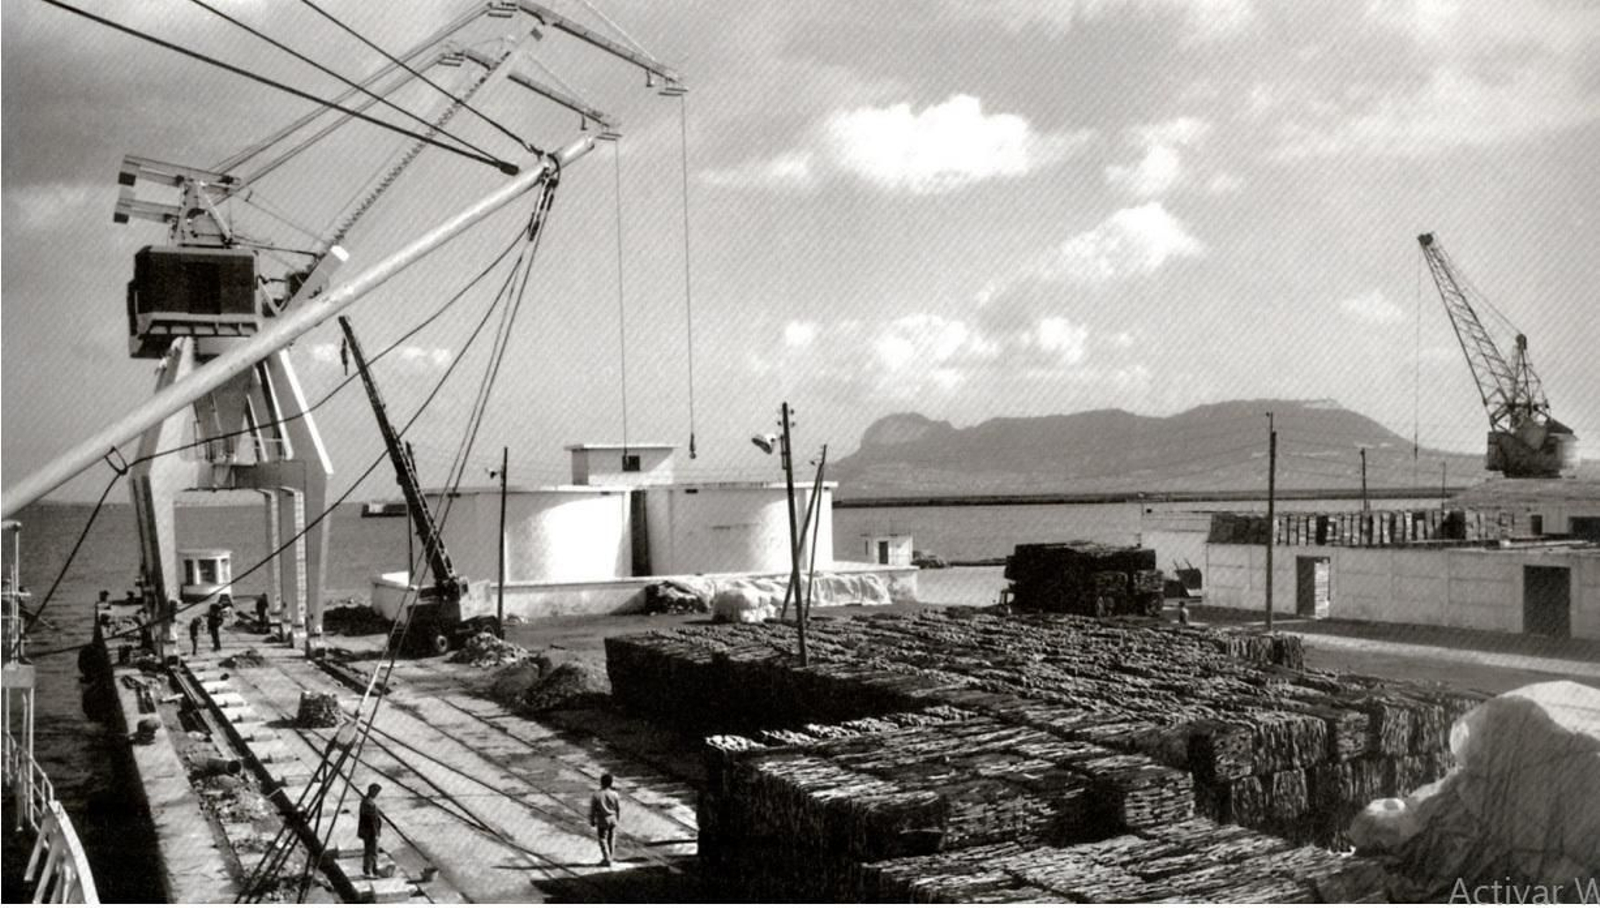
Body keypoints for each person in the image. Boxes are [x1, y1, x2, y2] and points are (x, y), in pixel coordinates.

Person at [588, 772, 621, 866]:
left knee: (602, 839)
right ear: (611, 783)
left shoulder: (597, 795)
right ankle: (611, 857)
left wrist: (592, 819)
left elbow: (593, 809)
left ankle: (606, 859)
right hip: (613, 818)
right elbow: (618, 808)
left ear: (601, 782)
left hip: (603, 819)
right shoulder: (615, 794)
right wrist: (617, 818)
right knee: (612, 839)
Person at [357, 783, 383, 878]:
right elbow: (371, 820)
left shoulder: (367, 801)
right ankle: (369, 871)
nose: (377, 794)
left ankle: (372, 870)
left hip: (369, 831)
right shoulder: (368, 803)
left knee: (370, 851)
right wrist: (375, 833)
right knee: (372, 851)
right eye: (376, 792)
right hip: (370, 831)